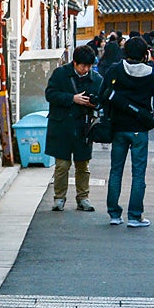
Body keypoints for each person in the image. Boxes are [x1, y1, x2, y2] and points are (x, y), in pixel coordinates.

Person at [100, 36, 154, 227]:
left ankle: (114, 214)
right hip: (139, 129)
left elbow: (103, 93)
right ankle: (135, 216)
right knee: (138, 174)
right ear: (145, 53)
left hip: (118, 127)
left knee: (116, 170)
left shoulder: (115, 70)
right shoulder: (150, 73)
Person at [44, 45, 103, 211]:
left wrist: (94, 103)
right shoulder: (61, 74)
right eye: (83, 66)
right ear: (75, 63)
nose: (86, 69)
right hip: (62, 125)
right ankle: (59, 198)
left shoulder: (96, 79)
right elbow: (50, 94)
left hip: (84, 127)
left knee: (83, 165)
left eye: (89, 66)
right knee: (62, 165)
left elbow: (102, 100)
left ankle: (83, 197)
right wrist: (72, 98)